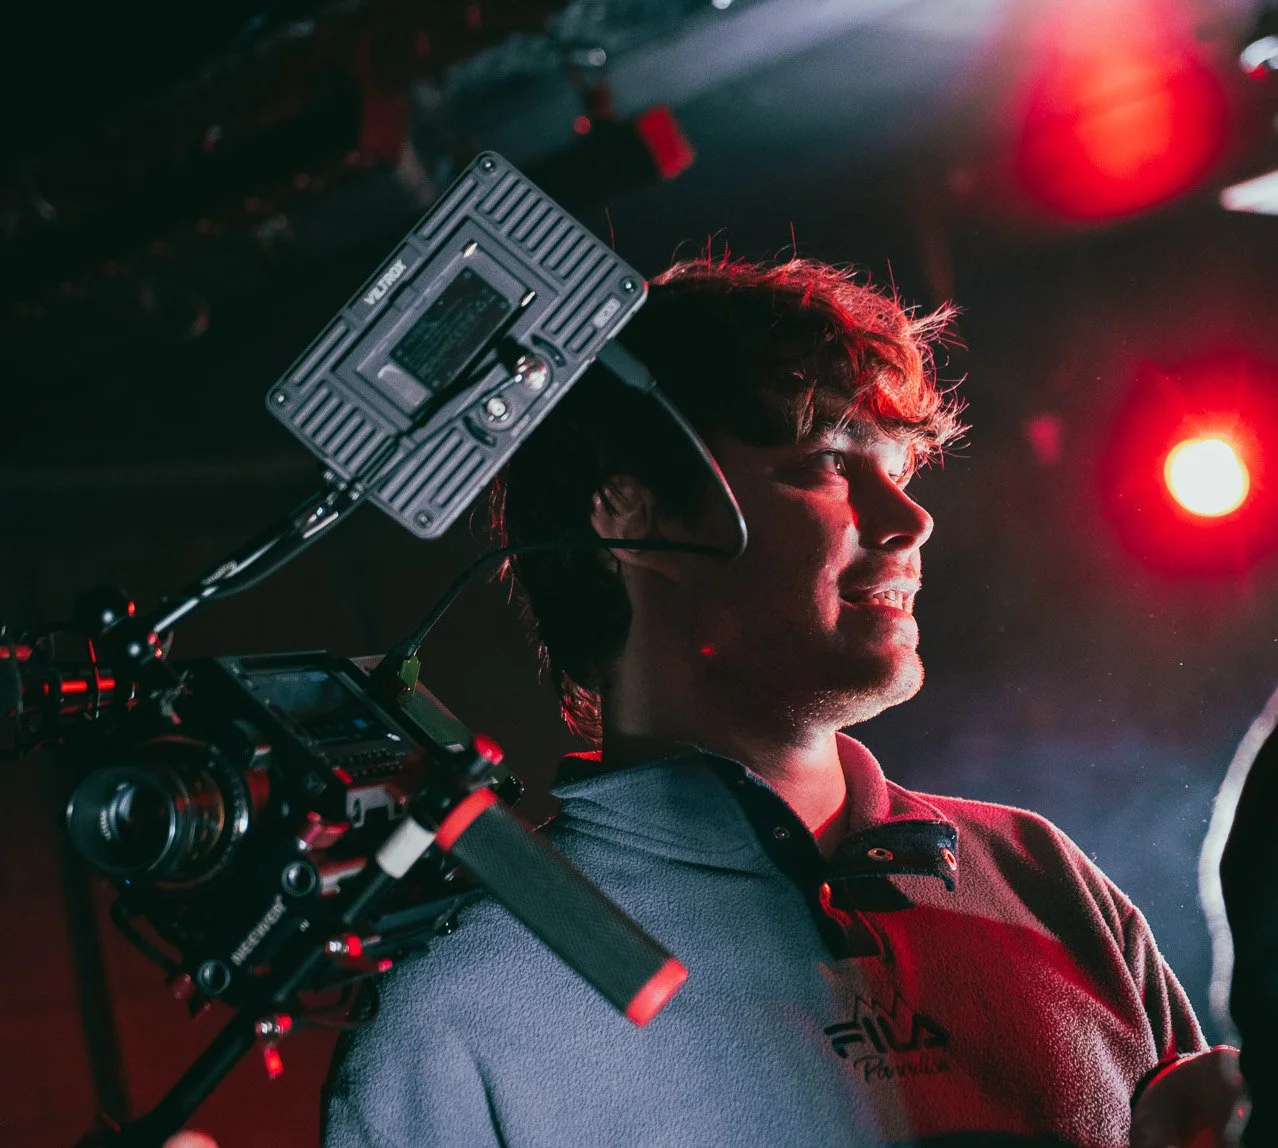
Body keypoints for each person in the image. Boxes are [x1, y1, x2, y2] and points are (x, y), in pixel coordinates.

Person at [175, 255, 1246, 1146]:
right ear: (631, 514)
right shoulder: (462, 1001)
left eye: (901, 466)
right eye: (828, 465)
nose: (908, 519)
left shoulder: (1042, 875)